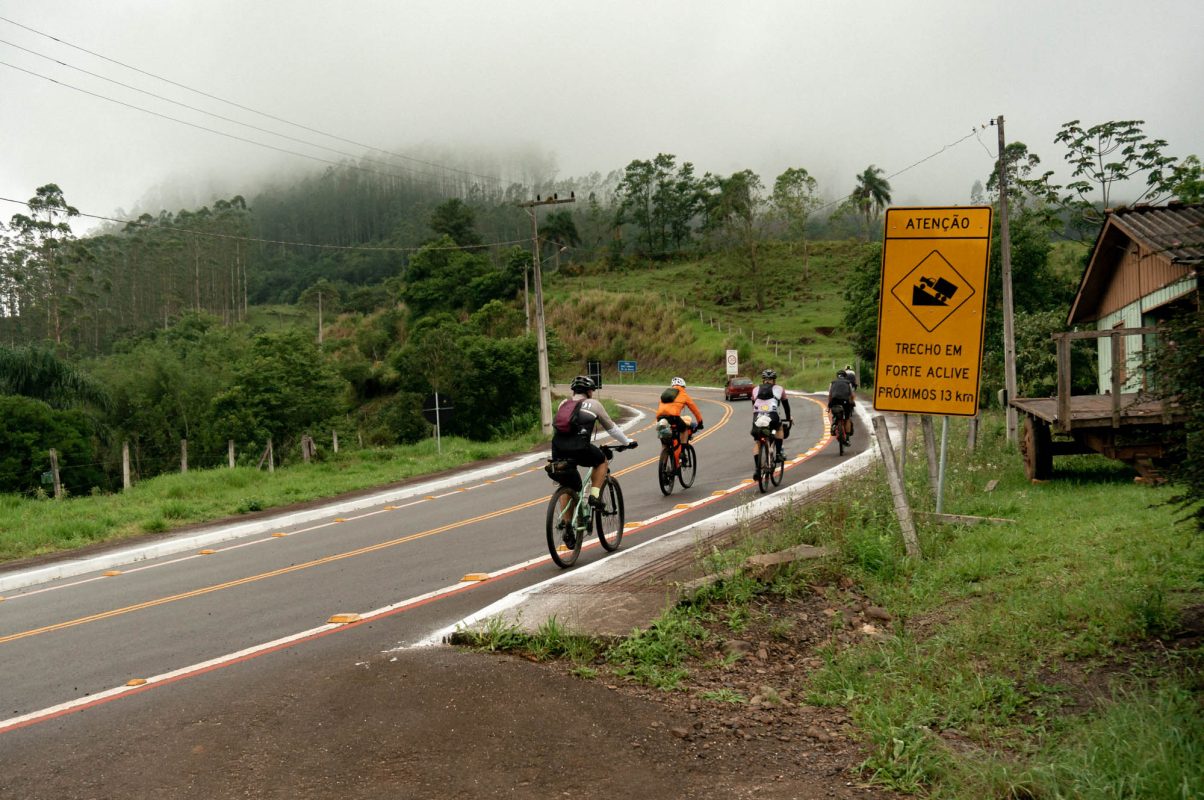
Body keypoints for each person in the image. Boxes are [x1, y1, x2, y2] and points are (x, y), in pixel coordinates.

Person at [551, 375, 637, 509]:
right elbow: (612, 429)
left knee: (567, 485)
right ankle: (594, 496)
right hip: (580, 448)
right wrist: (626, 442)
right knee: (602, 461)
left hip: (558, 448)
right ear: (589, 391)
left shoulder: (564, 404)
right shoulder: (594, 404)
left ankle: (566, 524)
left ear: (574, 391)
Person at [750, 368, 791, 476]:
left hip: (757, 416)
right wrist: (788, 418)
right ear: (774, 380)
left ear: (763, 380)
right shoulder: (779, 389)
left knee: (758, 443)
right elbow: (786, 406)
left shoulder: (755, 389)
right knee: (779, 428)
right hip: (772, 415)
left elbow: (753, 404)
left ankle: (757, 470)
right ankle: (778, 454)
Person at [656, 376, 704, 463]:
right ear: (683, 386)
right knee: (684, 429)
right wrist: (700, 422)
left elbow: (660, 408)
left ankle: (663, 466)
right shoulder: (683, 394)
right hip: (674, 417)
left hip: (660, 418)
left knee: (665, 443)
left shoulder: (665, 394)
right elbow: (695, 410)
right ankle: (682, 451)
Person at [828, 369, 856, 439]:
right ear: (845, 376)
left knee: (834, 414)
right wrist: (852, 402)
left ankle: (834, 425)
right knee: (847, 418)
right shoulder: (848, 383)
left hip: (835, 401)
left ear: (837, 376)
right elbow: (851, 395)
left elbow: (830, 395)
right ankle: (847, 436)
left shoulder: (832, 383)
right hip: (845, 401)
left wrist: (829, 404)